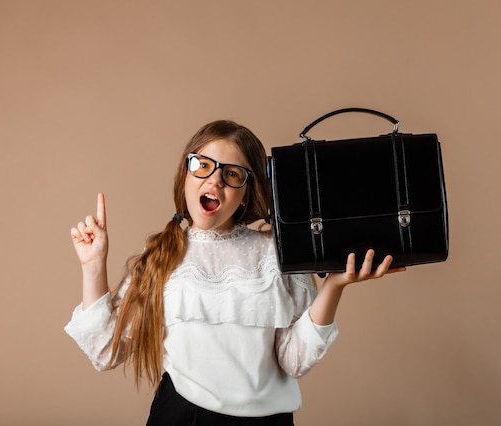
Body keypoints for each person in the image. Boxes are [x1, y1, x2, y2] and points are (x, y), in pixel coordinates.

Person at [65, 120, 405, 426]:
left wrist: (334, 285)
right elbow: (106, 352)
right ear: (186, 175)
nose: (214, 178)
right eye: (202, 165)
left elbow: (293, 362)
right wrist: (93, 265)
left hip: (268, 422)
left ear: (245, 195)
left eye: (232, 173)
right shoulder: (158, 257)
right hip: (184, 415)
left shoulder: (276, 252)